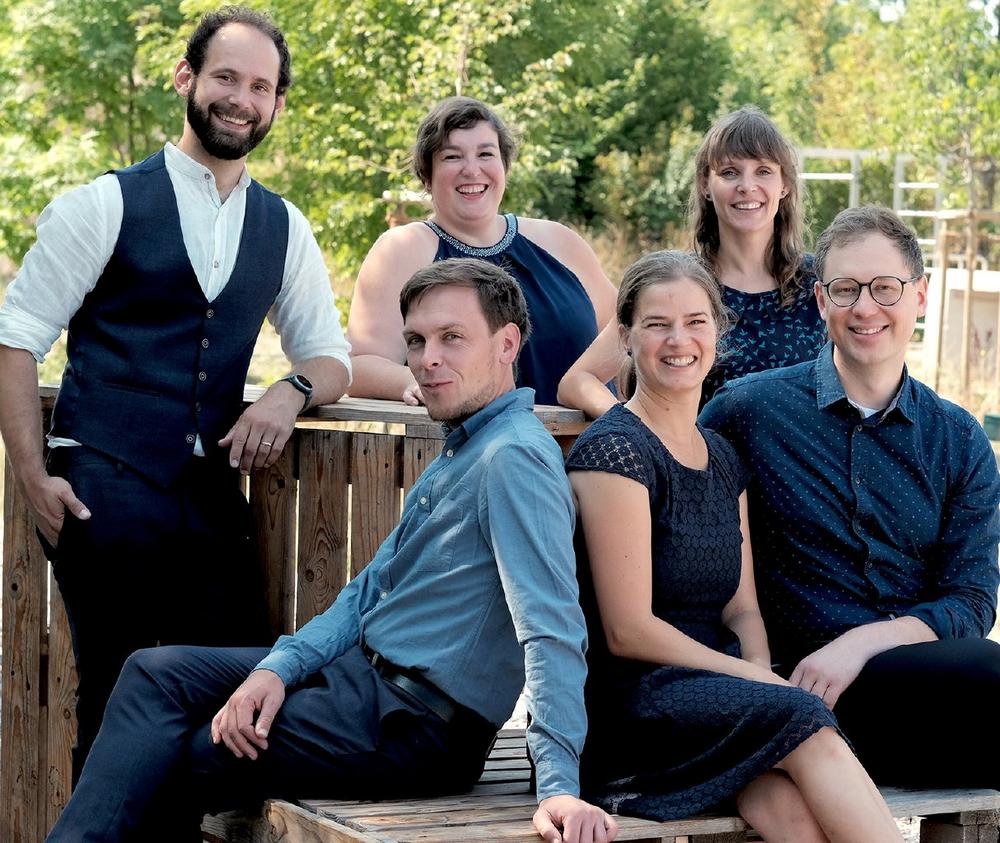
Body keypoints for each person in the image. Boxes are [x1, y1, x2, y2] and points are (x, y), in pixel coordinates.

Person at [45, 258, 618, 843]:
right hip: (362, 682)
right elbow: (367, 592)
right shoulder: (466, 448)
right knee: (154, 673)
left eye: (452, 338)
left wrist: (558, 787)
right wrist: (278, 668)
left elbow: (551, 627)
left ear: (507, 344)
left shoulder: (514, 458)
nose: (427, 359)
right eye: (416, 341)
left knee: (182, 753)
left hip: (417, 726)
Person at [0, 6, 351, 781]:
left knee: (230, 696)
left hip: (212, 500)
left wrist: (290, 390)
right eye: (226, 77)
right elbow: (15, 337)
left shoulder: (284, 226)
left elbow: (331, 355)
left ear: (277, 102)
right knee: (113, 694)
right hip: (103, 485)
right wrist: (30, 474)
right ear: (185, 78)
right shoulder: (104, 204)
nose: (242, 99)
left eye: (260, 86)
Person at [567, 250, 902, 841]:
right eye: (657, 324)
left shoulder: (721, 455)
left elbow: (742, 608)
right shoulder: (616, 451)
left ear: (718, 333)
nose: (679, 341)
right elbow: (627, 631)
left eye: (696, 322)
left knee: (786, 807)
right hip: (638, 706)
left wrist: (755, 673)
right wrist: (757, 683)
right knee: (804, 716)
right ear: (625, 338)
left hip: (716, 695)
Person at [701, 206, 1000, 788]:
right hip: (788, 687)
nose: (865, 308)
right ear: (821, 301)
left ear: (920, 296)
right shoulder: (747, 412)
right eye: (846, 289)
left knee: (985, 674)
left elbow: (970, 602)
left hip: (909, 685)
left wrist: (862, 643)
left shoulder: (958, 439)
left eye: (885, 288)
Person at [346, 95, 616, 407]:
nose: (472, 170)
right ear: (427, 174)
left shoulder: (560, 242)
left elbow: (626, 338)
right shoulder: (402, 249)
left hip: (595, 438)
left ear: (504, 165)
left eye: (486, 154)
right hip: (479, 440)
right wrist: (414, 382)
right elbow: (360, 367)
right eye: (452, 157)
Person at [558, 106, 825, 415]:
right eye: (729, 172)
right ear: (705, 185)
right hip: (699, 447)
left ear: (785, 184)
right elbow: (577, 381)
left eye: (763, 171)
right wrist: (635, 428)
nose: (747, 186)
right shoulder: (676, 283)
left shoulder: (821, 282)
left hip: (802, 447)